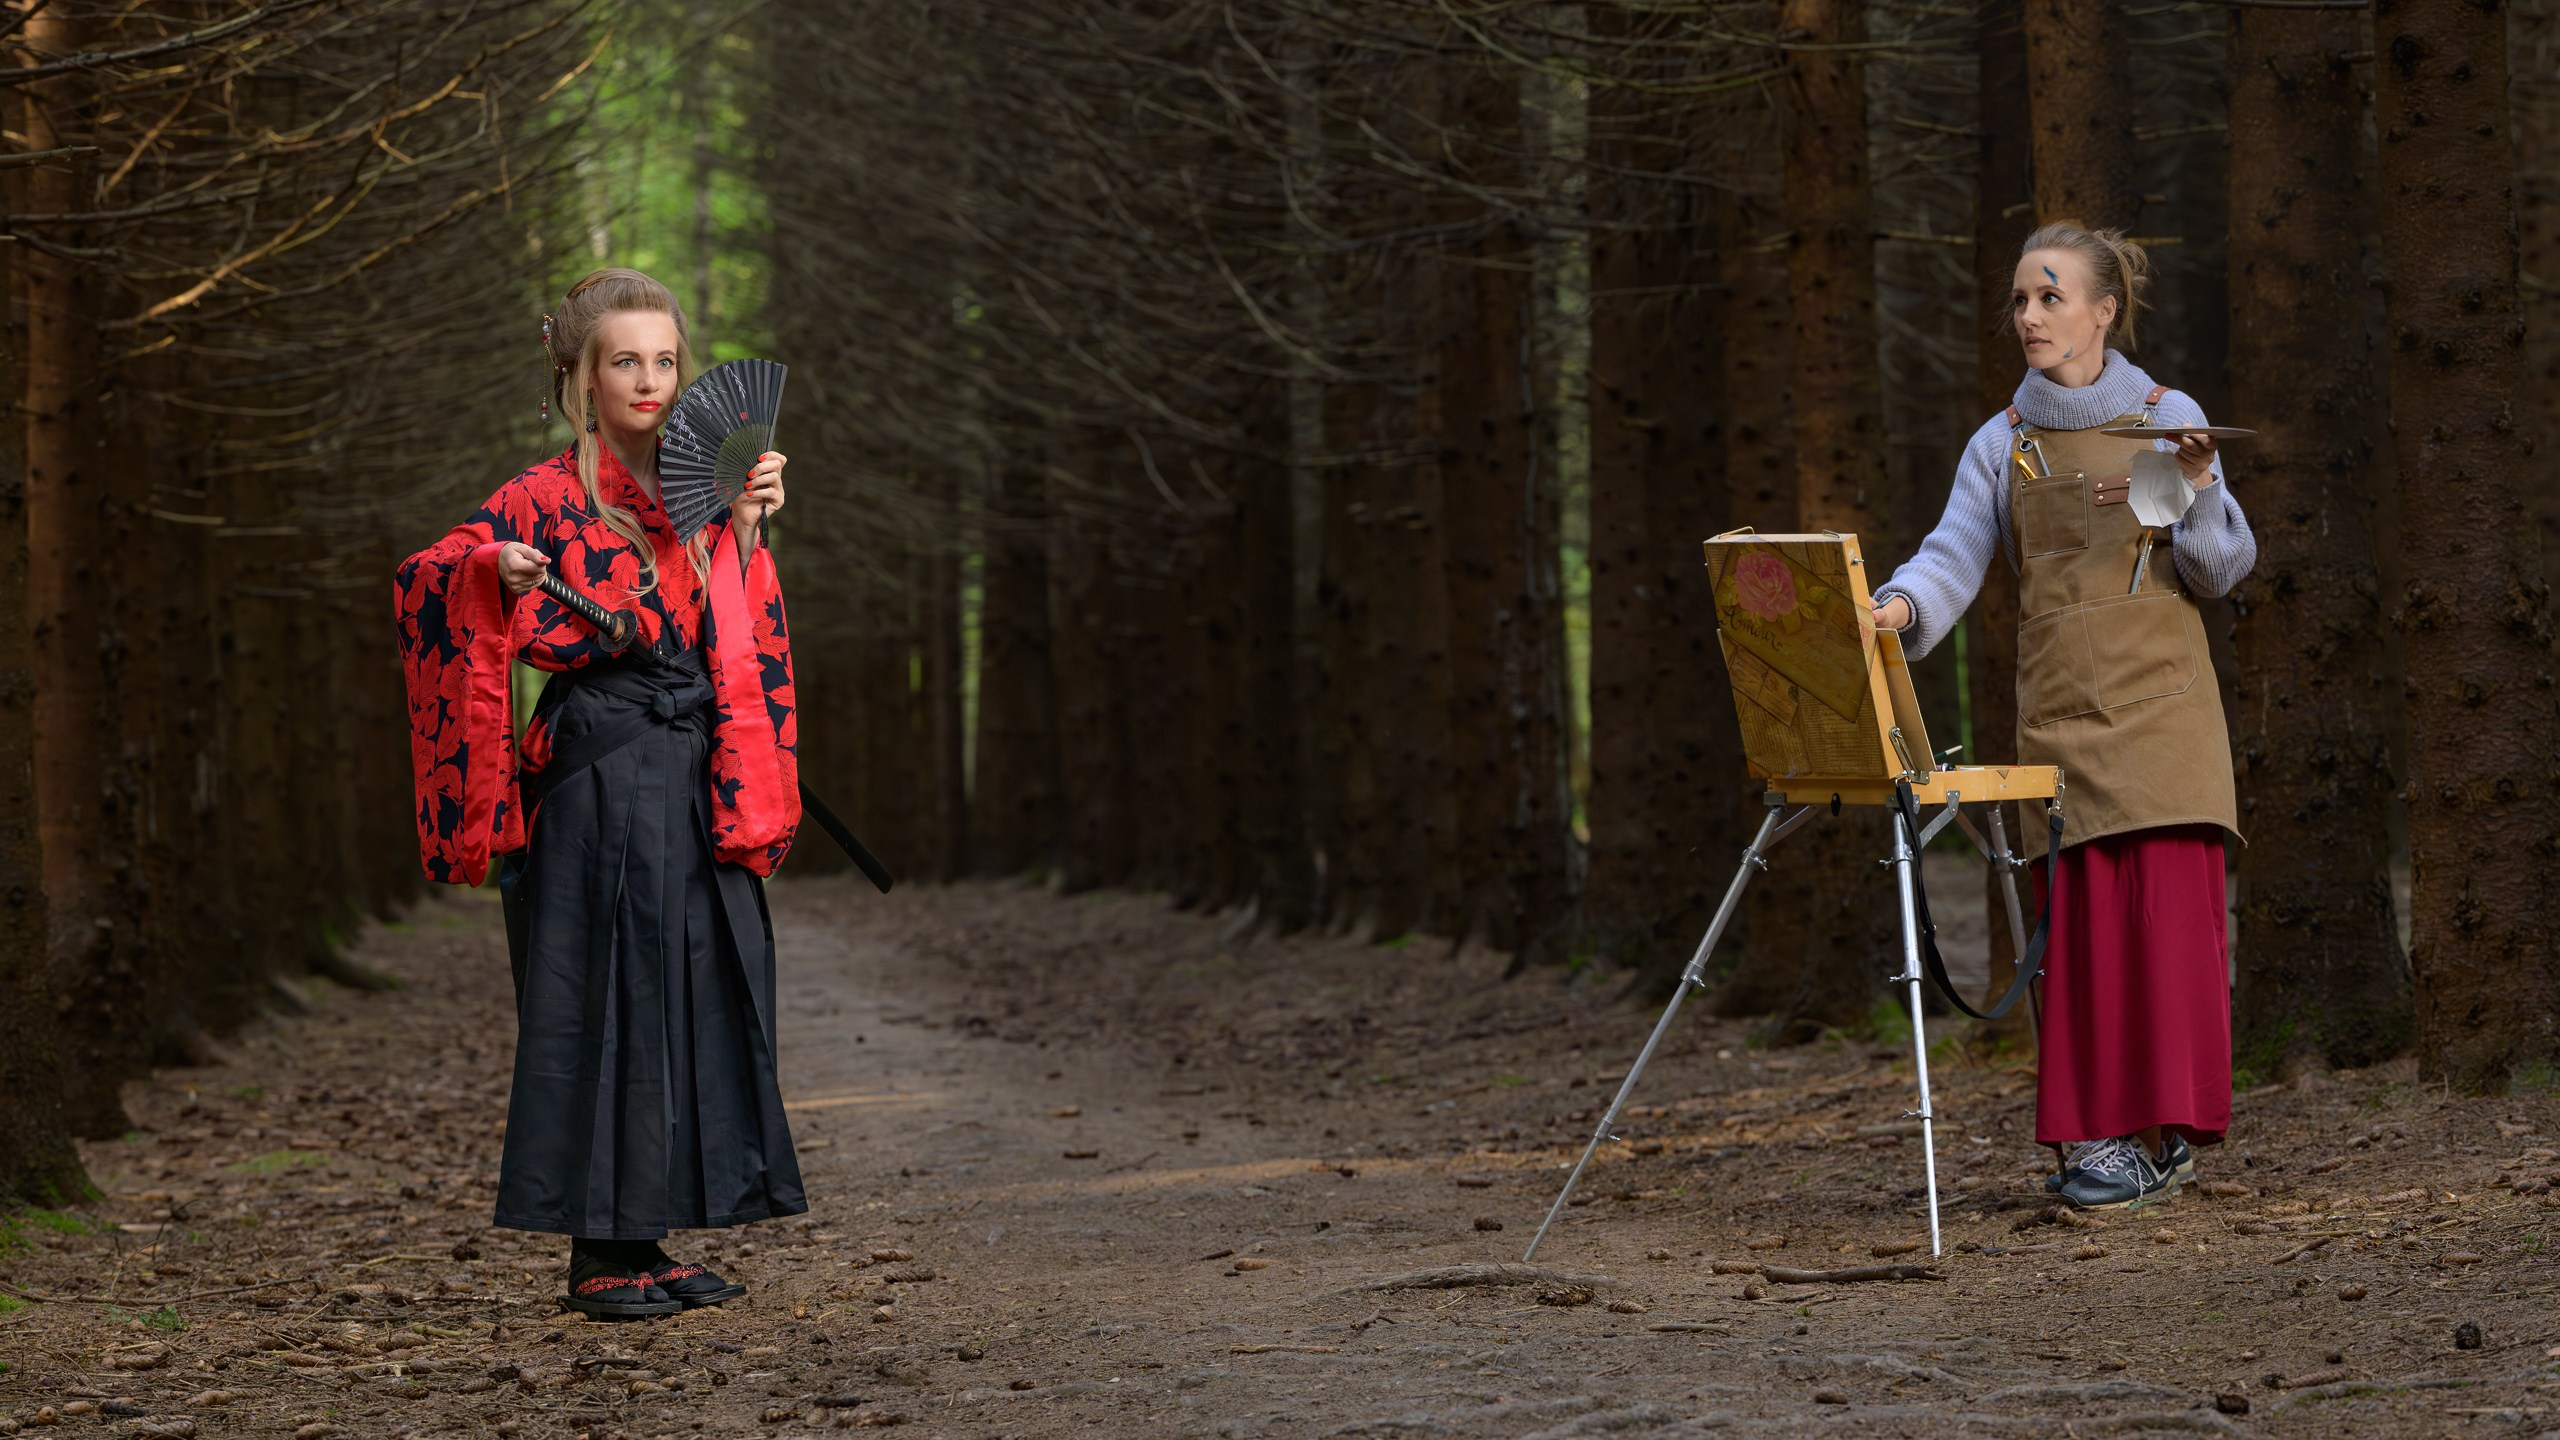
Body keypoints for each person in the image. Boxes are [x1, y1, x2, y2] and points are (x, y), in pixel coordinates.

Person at [394, 267, 806, 1317]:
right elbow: (430, 575)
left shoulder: (706, 494)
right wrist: (494, 569)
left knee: (682, 991)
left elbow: (730, 629)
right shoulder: (536, 496)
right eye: (624, 359)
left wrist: (748, 535)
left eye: (666, 359)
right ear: (578, 376)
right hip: (592, 770)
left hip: (688, 766)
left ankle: (648, 1238)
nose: (650, 379)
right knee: (597, 997)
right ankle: (596, 1255)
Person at [1870, 223, 2256, 1211]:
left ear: (2102, 311)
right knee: (2082, 946)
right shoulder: (2003, 442)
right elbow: (1951, 556)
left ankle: (2163, 1141)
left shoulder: (2165, 418)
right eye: (2018, 301)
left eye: (2049, 298)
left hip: (2165, 720)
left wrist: (2202, 483)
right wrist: (1897, 609)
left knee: (2166, 937)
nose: (2029, 316)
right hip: (2061, 726)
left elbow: (2209, 570)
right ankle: (2098, 1143)